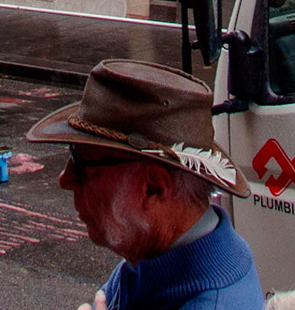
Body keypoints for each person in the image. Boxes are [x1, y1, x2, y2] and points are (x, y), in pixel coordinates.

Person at [28, 59, 263, 310]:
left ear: (153, 188)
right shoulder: (157, 252)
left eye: (82, 163)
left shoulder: (211, 300)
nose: (65, 180)